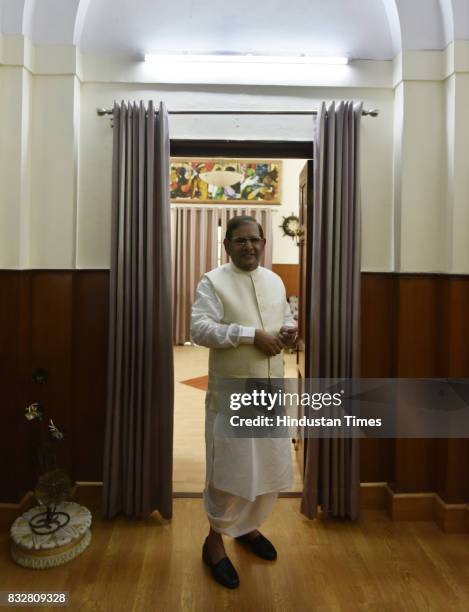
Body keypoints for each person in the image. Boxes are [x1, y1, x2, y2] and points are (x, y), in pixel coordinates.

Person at [191, 215, 298, 589]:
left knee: (266, 467)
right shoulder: (213, 280)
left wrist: (288, 332)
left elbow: (285, 317)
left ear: (263, 242)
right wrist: (250, 335)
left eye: (255, 240)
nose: (249, 246)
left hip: (269, 390)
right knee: (229, 470)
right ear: (228, 245)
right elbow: (199, 329)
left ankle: (248, 528)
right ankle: (215, 541)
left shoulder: (274, 280)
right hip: (232, 393)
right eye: (241, 241)